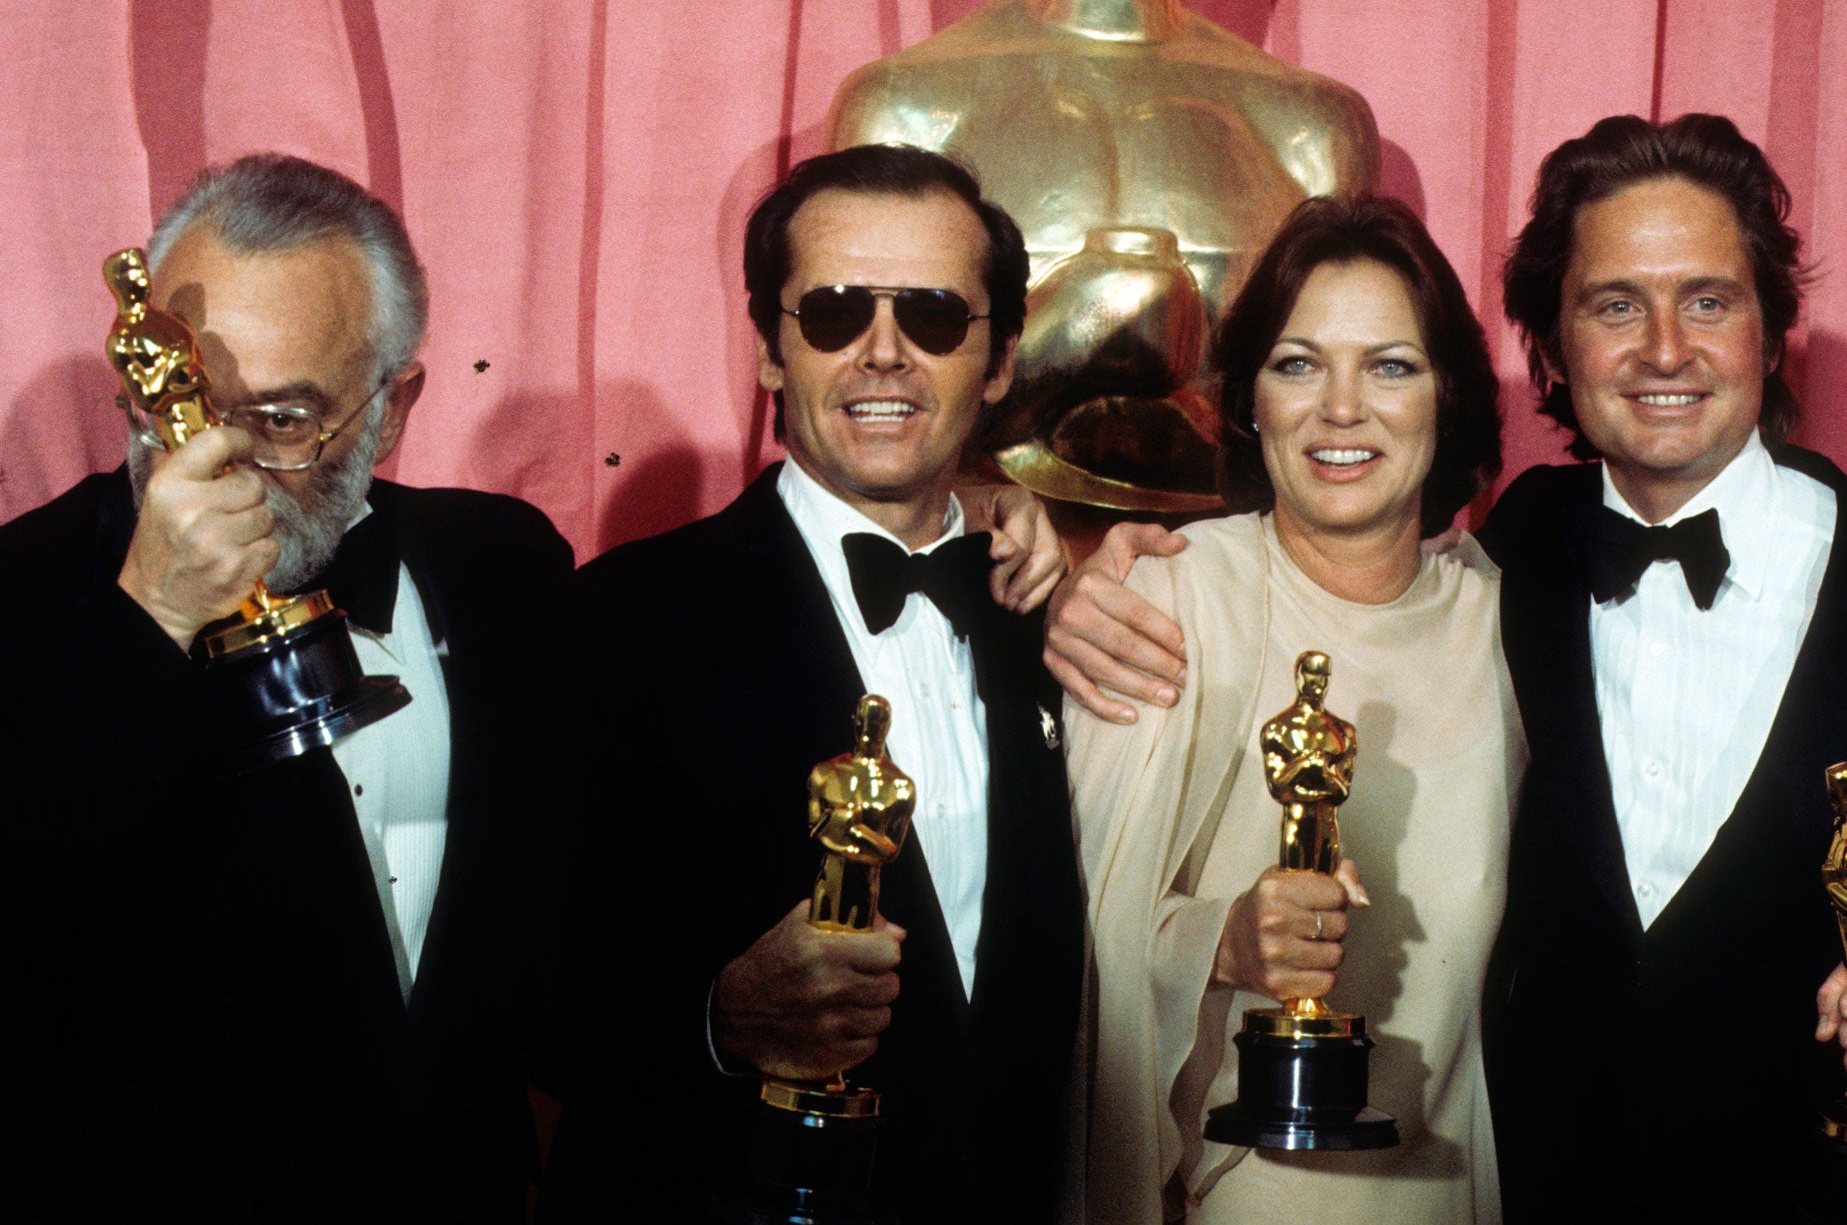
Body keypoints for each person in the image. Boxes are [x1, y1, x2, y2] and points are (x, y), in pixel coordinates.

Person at [1045, 114, 1847, 1220]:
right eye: (1614, 304)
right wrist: (1057, 567)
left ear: (1770, 333)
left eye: (1706, 300)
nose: (1662, 349)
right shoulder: (1515, 560)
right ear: (1553, 350)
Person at [0, 153, 575, 1219]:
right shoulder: (22, 596)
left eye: (278, 421)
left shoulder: (505, 569)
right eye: (171, 407)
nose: (208, 463)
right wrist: (151, 619)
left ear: (392, 408)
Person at [540, 144, 1084, 1223]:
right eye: (833, 312)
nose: (882, 354)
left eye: (932, 316)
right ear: (769, 352)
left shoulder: (1052, 615)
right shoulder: (620, 621)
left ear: (1001, 358)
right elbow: (516, 986)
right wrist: (718, 1019)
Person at [1065, 193, 1524, 1224]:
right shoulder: (1167, 598)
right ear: (1249, 400)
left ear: (1447, 397)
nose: (1341, 408)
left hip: (1457, 1194)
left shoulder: (1509, 629)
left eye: (1390, 365)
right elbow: (1066, 950)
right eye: (1297, 363)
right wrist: (1218, 946)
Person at [829, 0, 1376, 509]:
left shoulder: (1310, 127)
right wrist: (1066, 334)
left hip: (1237, 582)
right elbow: (857, 403)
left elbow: (1353, 412)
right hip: (980, 572)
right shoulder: (905, 111)